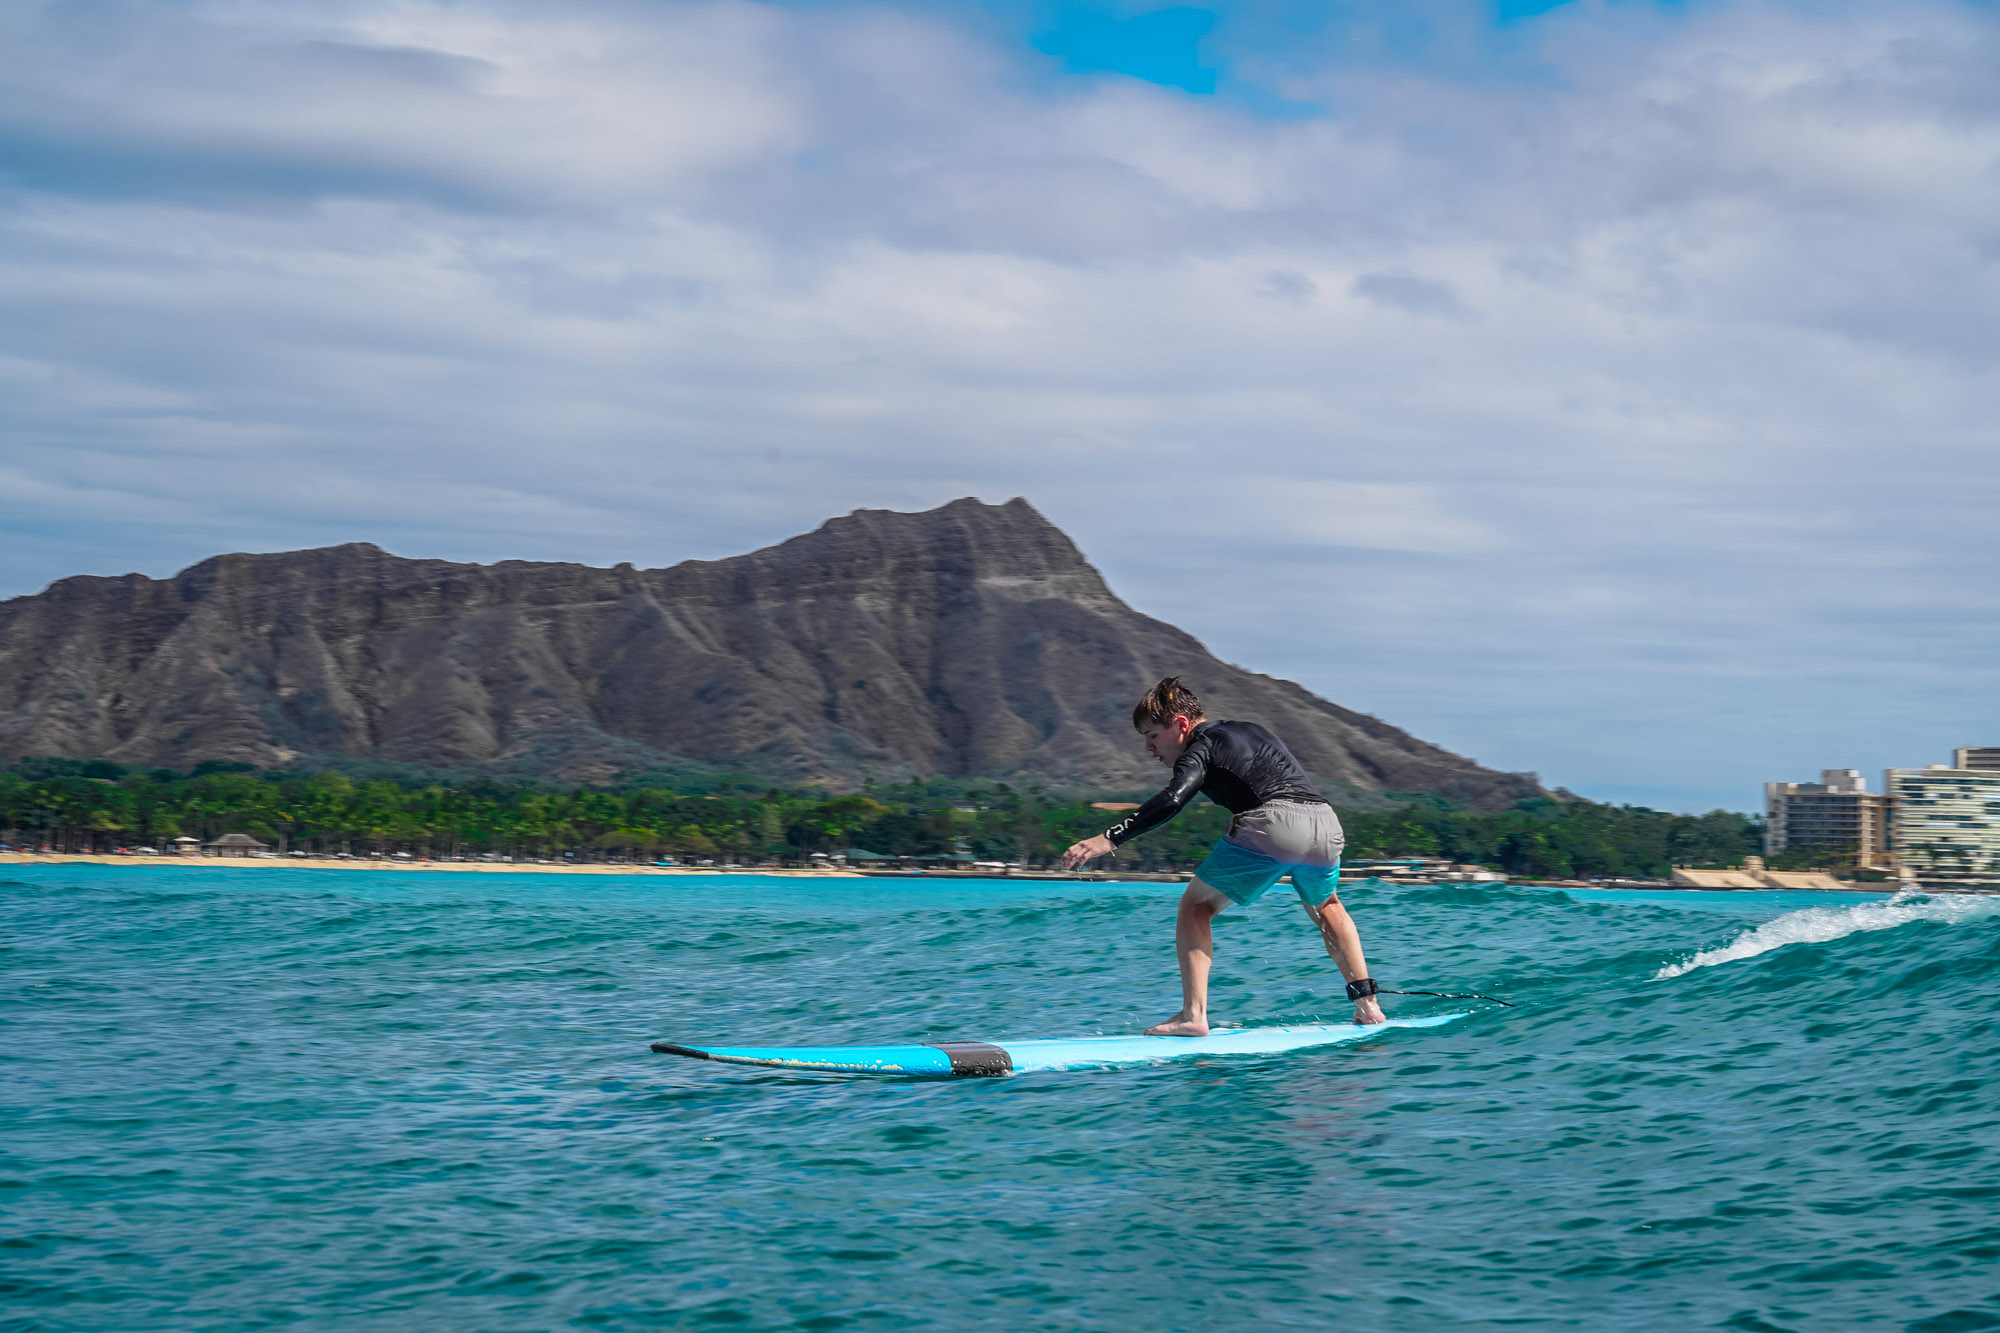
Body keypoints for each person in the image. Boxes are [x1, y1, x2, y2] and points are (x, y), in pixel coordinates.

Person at [1060, 676, 1387, 1035]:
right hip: (1326, 823)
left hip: (1276, 824)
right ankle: (1368, 1006)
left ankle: (1192, 1015)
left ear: (1181, 725)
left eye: (1153, 736)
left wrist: (1111, 838)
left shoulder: (1200, 746)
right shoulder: (1249, 729)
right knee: (1327, 906)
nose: (1149, 749)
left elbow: (1173, 799)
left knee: (1195, 908)